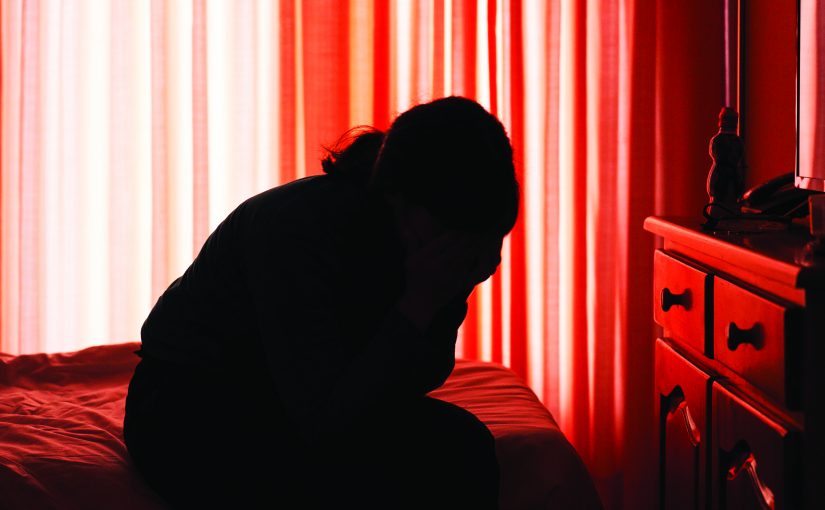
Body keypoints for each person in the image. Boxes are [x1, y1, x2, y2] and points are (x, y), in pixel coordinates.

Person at [123, 96, 519, 509]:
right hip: (191, 405)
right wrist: (420, 303)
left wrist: (451, 289)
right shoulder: (294, 230)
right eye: (457, 239)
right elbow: (324, 422)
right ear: (399, 199)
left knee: (464, 447)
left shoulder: (424, 242)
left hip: (300, 400)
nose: (465, 255)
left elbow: (418, 377)